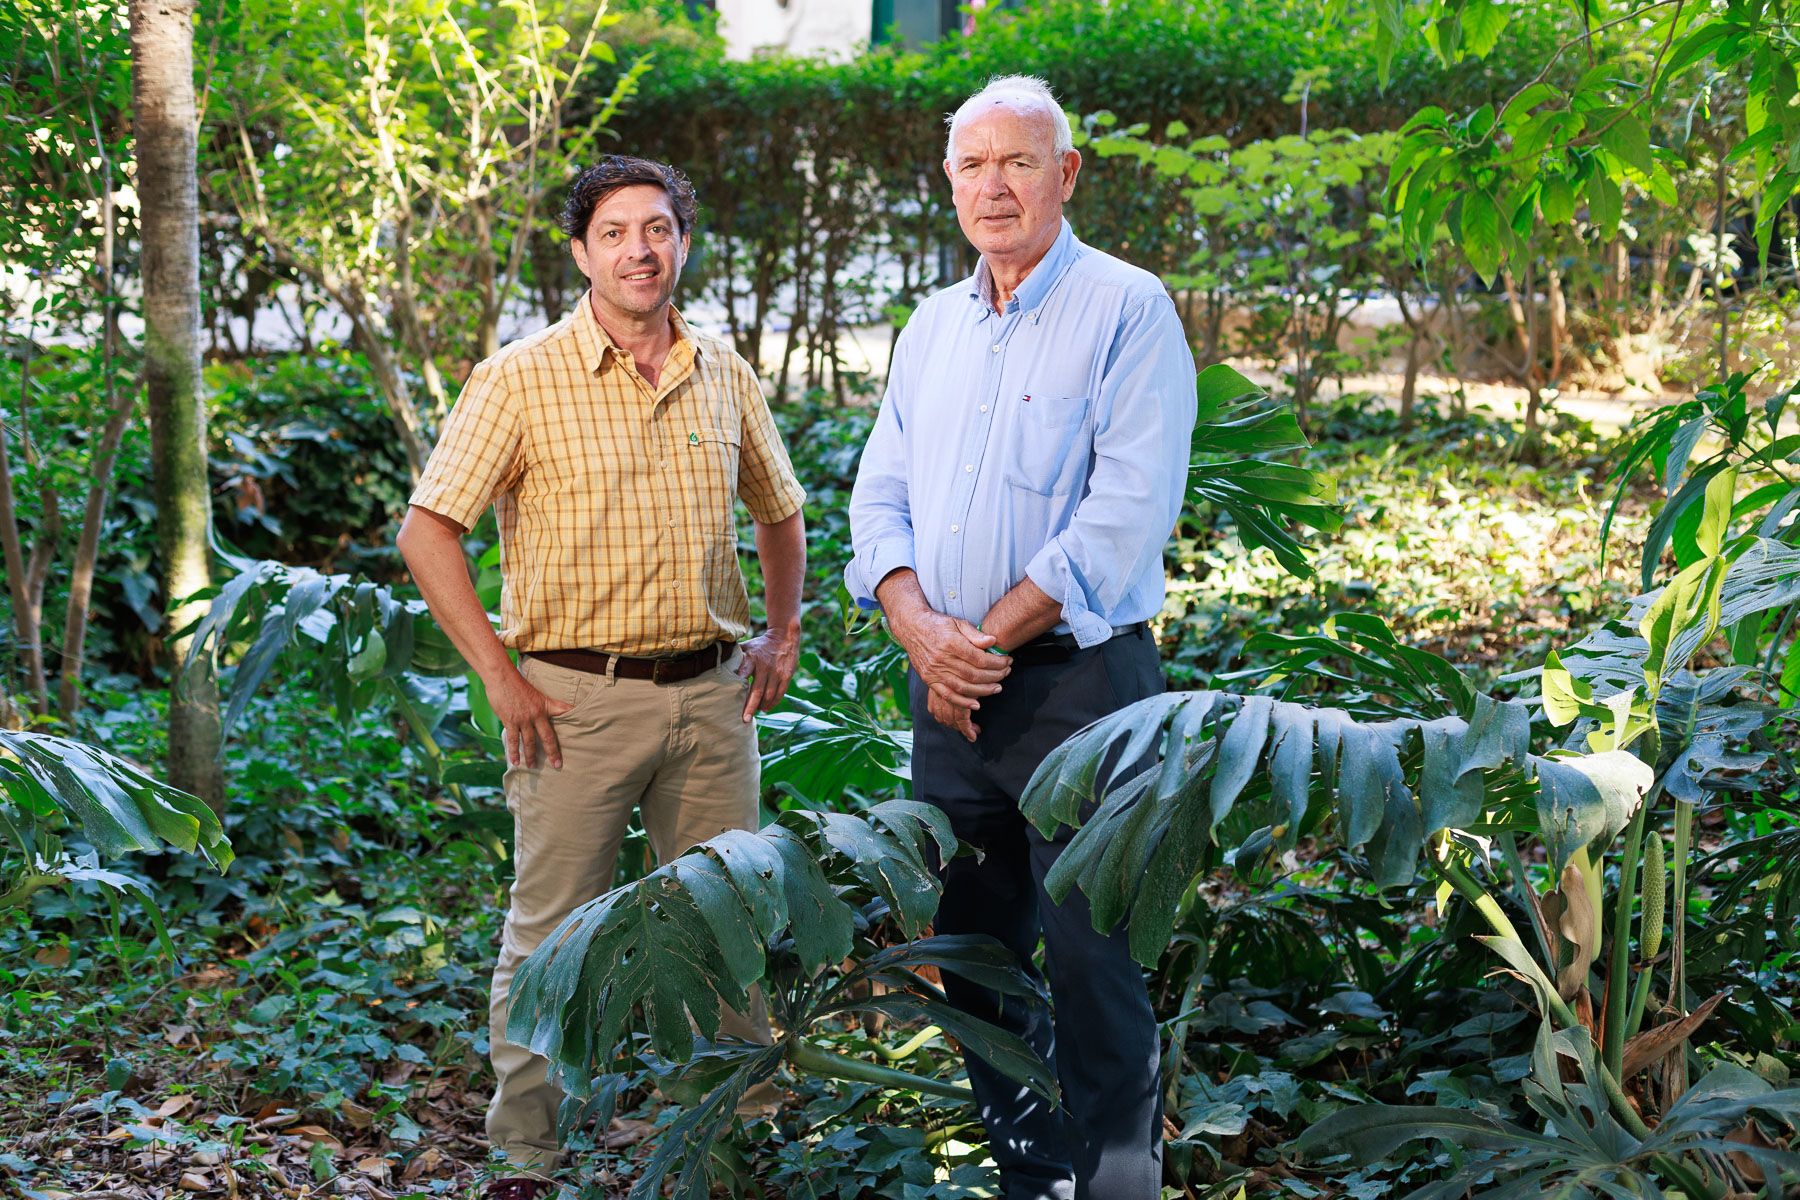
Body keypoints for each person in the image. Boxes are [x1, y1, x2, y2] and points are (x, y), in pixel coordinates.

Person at [396, 155, 807, 1199]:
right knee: (549, 931)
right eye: (617, 231)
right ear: (580, 253)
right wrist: (498, 672)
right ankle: (524, 1159)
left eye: (659, 228)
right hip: (571, 703)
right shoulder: (520, 378)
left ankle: (731, 1144)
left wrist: (783, 632)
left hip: (714, 696)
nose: (641, 249)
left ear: (682, 242)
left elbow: (780, 508)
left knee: (729, 919)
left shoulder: (725, 372)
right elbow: (427, 528)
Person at [845, 76, 1196, 1199]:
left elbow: (1126, 510)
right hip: (947, 698)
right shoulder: (932, 326)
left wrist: (976, 642)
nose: (994, 186)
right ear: (949, 185)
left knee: (1097, 962)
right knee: (971, 957)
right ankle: (1030, 1176)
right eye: (973, 166)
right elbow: (878, 497)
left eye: (1019, 163)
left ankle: (1117, 1185)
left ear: (1067, 175)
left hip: (1080, 688)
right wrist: (917, 629)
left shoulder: (1129, 309)